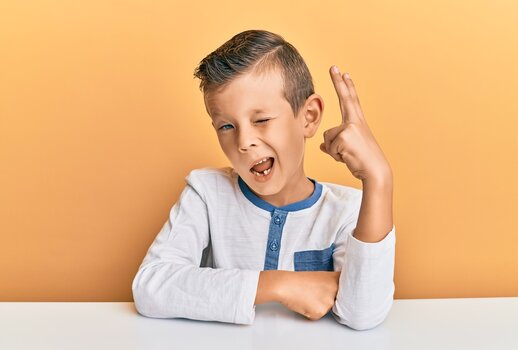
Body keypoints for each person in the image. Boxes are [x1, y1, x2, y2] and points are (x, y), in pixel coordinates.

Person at [132, 29, 396, 330]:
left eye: (261, 120)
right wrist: (279, 284)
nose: (244, 142)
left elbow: (363, 314)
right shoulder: (207, 193)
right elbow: (151, 286)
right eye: (226, 126)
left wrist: (379, 179)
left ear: (308, 116)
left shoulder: (349, 211)